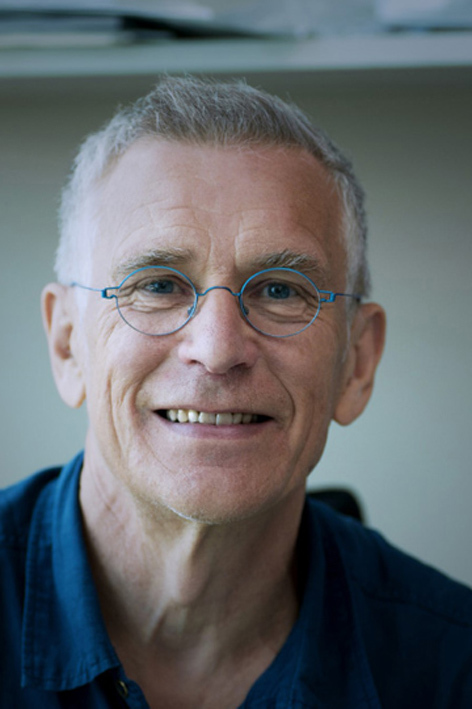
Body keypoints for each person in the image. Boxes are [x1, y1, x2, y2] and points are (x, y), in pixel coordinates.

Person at [1, 76, 471, 709]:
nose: (219, 348)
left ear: (356, 362)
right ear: (67, 345)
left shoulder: (452, 667)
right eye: (159, 284)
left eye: (280, 290)